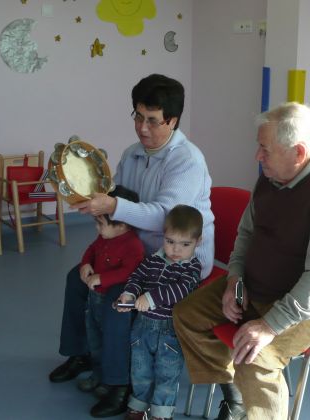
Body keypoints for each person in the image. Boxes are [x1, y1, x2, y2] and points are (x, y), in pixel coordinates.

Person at [173, 102, 310, 420]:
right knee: (186, 316)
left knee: (255, 358)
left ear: (298, 153)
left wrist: (269, 325)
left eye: (265, 149)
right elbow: (246, 235)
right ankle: (235, 398)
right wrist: (234, 279)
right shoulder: (272, 177)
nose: (258, 157)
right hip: (259, 285)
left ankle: (256, 403)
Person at [48, 73, 214, 419]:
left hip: (174, 260)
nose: (142, 127)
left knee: (116, 299)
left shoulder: (188, 160)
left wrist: (111, 207)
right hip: (135, 251)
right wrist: (93, 203)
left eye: (152, 120)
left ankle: (119, 383)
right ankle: (81, 354)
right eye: (137, 116)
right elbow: (117, 198)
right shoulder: (131, 154)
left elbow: (168, 218)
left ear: (172, 120)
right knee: (75, 279)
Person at [117, 205, 203, 420]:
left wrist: (151, 298)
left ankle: (160, 414)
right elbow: (137, 278)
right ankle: (138, 406)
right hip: (142, 327)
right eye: (170, 242)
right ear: (163, 237)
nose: (175, 250)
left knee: (167, 375)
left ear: (198, 242)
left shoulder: (192, 268)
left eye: (185, 244)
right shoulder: (153, 260)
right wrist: (129, 294)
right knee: (140, 371)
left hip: (170, 332)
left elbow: (182, 290)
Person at [76, 186, 145, 394]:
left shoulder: (133, 245)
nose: (97, 228)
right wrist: (85, 263)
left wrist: (102, 277)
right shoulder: (104, 237)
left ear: (122, 225)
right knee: (94, 340)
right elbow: (91, 250)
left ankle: (110, 380)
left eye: (100, 223)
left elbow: (129, 272)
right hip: (93, 301)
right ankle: (96, 374)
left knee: (109, 342)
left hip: (108, 301)